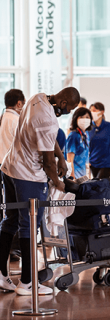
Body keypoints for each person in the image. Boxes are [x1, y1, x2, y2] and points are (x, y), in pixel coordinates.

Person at [0, 87, 80, 295]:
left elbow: (47, 136)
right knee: (29, 225)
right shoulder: (49, 120)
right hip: (28, 176)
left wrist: (60, 156)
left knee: (10, 220)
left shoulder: (38, 98)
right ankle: (27, 283)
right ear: (63, 104)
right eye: (70, 109)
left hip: (9, 168)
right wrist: (58, 183)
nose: (69, 112)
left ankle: (1, 274)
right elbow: (47, 163)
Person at [0, 89, 25, 261]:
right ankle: (15, 248)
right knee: (18, 212)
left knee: (9, 212)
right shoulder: (17, 120)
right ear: (19, 103)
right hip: (15, 171)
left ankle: (7, 250)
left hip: (3, 169)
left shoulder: (2, 118)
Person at [88, 102, 110, 179]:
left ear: (102, 112)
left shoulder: (109, 126)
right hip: (93, 162)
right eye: (91, 111)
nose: (92, 113)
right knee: (99, 185)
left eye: (94, 110)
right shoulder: (89, 128)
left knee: (99, 183)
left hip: (108, 163)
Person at [66, 108, 92, 179]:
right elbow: (69, 159)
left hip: (84, 175)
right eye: (81, 117)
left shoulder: (86, 134)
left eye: (87, 117)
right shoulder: (73, 135)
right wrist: (72, 177)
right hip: (75, 175)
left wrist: (88, 176)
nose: (84, 119)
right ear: (75, 118)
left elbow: (86, 158)